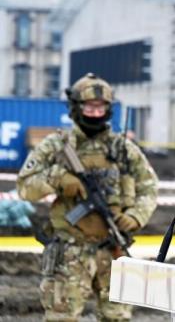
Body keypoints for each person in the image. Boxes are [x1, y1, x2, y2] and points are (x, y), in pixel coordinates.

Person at [17, 73, 159, 322]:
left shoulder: (123, 149)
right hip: (70, 251)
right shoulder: (57, 145)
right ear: (76, 108)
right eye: (89, 107)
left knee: (118, 318)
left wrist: (137, 216)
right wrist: (57, 179)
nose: (95, 113)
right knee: (61, 318)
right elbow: (25, 187)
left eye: (100, 107)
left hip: (113, 248)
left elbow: (149, 187)